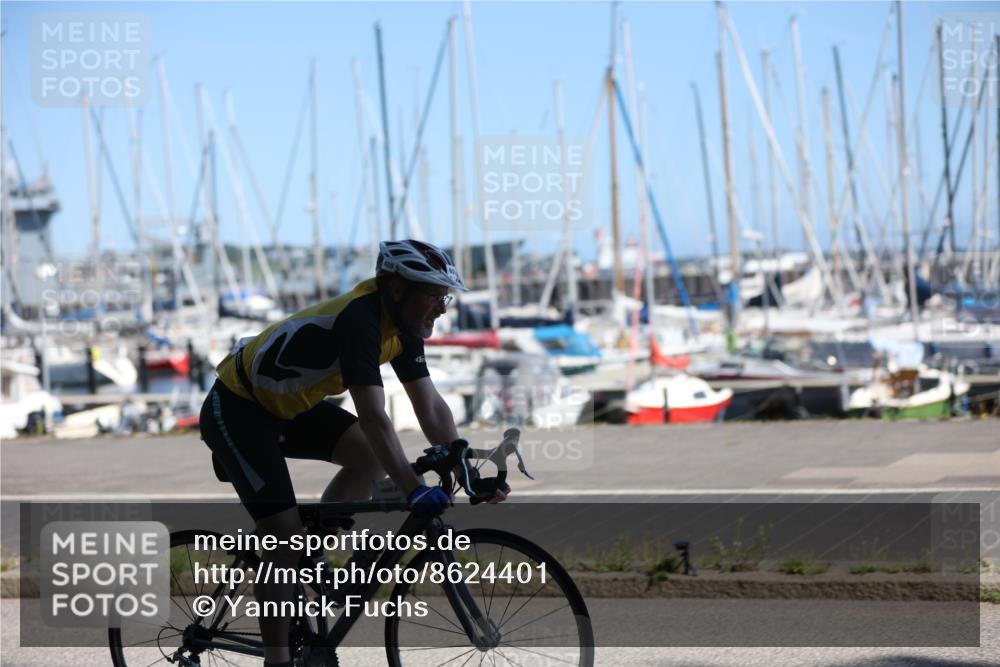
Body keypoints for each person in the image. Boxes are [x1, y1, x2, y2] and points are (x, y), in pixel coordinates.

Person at [199, 239, 508, 667]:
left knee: (367, 457)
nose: (441, 307)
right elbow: (375, 417)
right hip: (236, 409)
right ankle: (278, 658)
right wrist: (413, 489)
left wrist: (462, 464)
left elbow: (430, 404)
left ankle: (313, 561)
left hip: (289, 408)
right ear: (396, 289)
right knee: (283, 539)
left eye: (445, 297)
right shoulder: (359, 320)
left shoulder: (401, 328)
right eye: (434, 296)